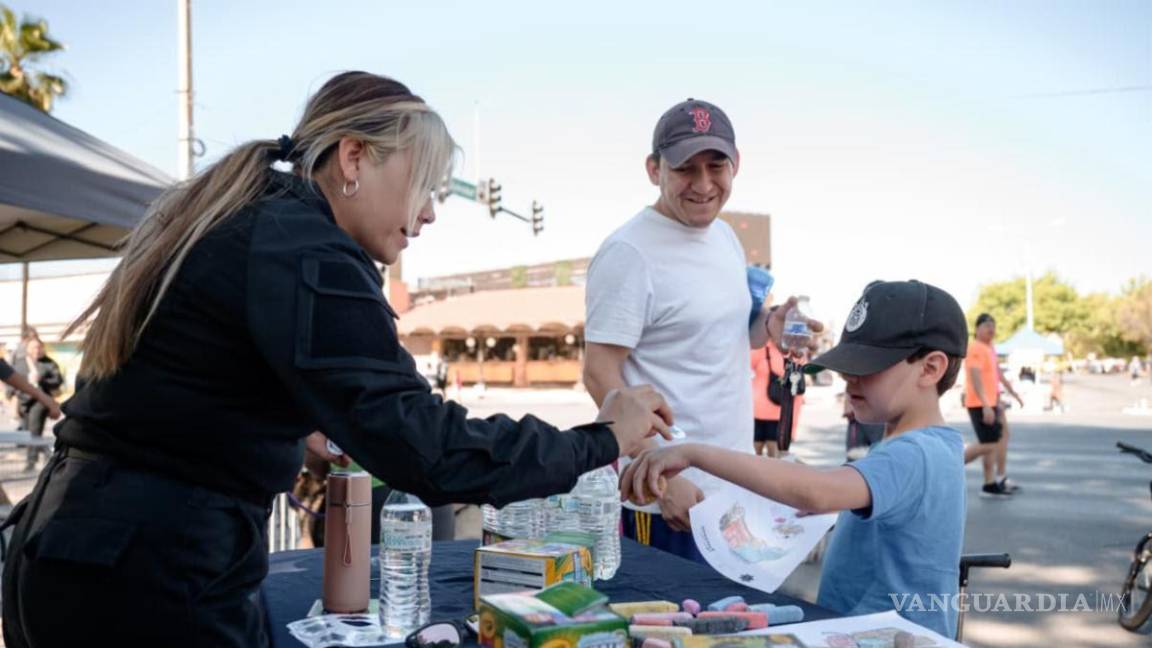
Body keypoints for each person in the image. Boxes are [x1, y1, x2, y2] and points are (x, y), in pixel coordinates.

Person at [0, 72, 673, 648]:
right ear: (354, 158)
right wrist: (602, 438)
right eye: (424, 185)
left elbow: (179, 392)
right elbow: (428, 448)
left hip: (75, 552)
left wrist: (289, 425)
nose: (430, 213)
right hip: (149, 576)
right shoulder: (308, 250)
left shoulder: (255, 220)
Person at [621, 280, 969, 637]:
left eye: (868, 366)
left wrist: (694, 453)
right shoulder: (925, 446)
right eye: (848, 365)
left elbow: (817, 492)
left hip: (890, 637)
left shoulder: (915, 453)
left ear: (930, 368)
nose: (848, 378)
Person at [583, 98, 792, 562]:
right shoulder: (629, 253)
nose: (703, 184)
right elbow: (599, 374)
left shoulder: (725, 237)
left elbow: (730, 336)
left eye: (716, 166)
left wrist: (769, 326)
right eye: (684, 169)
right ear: (653, 169)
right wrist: (661, 475)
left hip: (733, 487)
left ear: (736, 166)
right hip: (668, 501)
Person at [961, 313, 1024, 497]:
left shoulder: (989, 348)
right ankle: (949, 465)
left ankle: (990, 483)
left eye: (993, 325)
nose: (991, 329)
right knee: (990, 443)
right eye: (987, 325)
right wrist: (985, 404)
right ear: (977, 329)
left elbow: (997, 375)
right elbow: (975, 376)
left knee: (996, 439)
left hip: (990, 402)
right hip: (979, 403)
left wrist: (1012, 394)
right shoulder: (975, 347)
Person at [751, 339, 805, 458]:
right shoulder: (761, 348)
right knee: (752, 459)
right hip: (754, 415)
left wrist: (792, 430)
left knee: (774, 461)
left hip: (779, 418)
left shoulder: (796, 355)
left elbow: (797, 396)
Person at [16, 338, 64, 471]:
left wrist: (42, 379)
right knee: (27, 431)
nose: (36, 350)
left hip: (42, 402)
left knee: (34, 430)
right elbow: (13, 383)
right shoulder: (20, 364)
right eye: (33, 347)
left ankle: (31, 461)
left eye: (39, 347)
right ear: (27, 349)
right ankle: (46, 451)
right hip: (24, 401)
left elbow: (58, 380)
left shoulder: (48, 363)